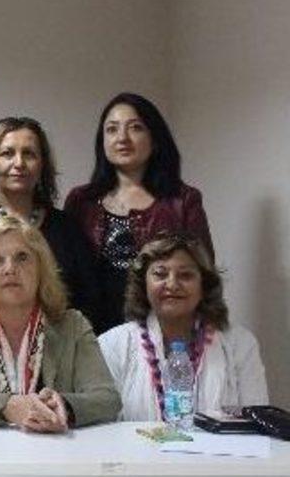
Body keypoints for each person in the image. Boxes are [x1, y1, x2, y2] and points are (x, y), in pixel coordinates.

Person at [0, 217, 121, 431]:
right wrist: (8, 407)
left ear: (41, 268)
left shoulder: (73, 325)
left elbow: (108, 399)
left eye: (22, 257)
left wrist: (64, 405)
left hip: (56, 447)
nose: (10, 268)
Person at [65, 92, 213, 333]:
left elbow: (203, 273)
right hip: (92, 331)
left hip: (161, 330)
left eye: (135, 128)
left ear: (155, 138)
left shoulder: (183, 200)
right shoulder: (81, 200)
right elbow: (68, 275)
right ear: (102, 141)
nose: (122, 138)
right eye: (112, 129)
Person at [0, 117, 103, 327]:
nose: (19, 163)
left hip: (57, 342)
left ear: (42, 165)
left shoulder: (67, 228)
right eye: (7, 153)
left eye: (29, 154)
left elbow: (89, 303)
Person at [98, 235, 267, 421]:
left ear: (204, 285)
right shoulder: (112, 344)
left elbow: (257, 422)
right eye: (160, 274)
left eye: (185, 275)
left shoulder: (239, 345)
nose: (172, 285)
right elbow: (100, 426)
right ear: (143, 284)